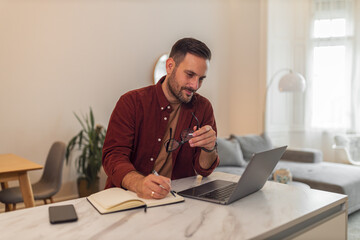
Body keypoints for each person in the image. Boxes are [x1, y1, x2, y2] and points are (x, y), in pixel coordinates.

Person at [102, 37, 219, 200]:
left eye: (201, 78)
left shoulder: (203, 107)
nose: (195, 85)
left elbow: (204, 170)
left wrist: (209, 148)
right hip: (128, 199)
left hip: (176, 201)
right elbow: (113, 157)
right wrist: (139, 183)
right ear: (170, 66)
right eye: (190, 74)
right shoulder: (131, 102)